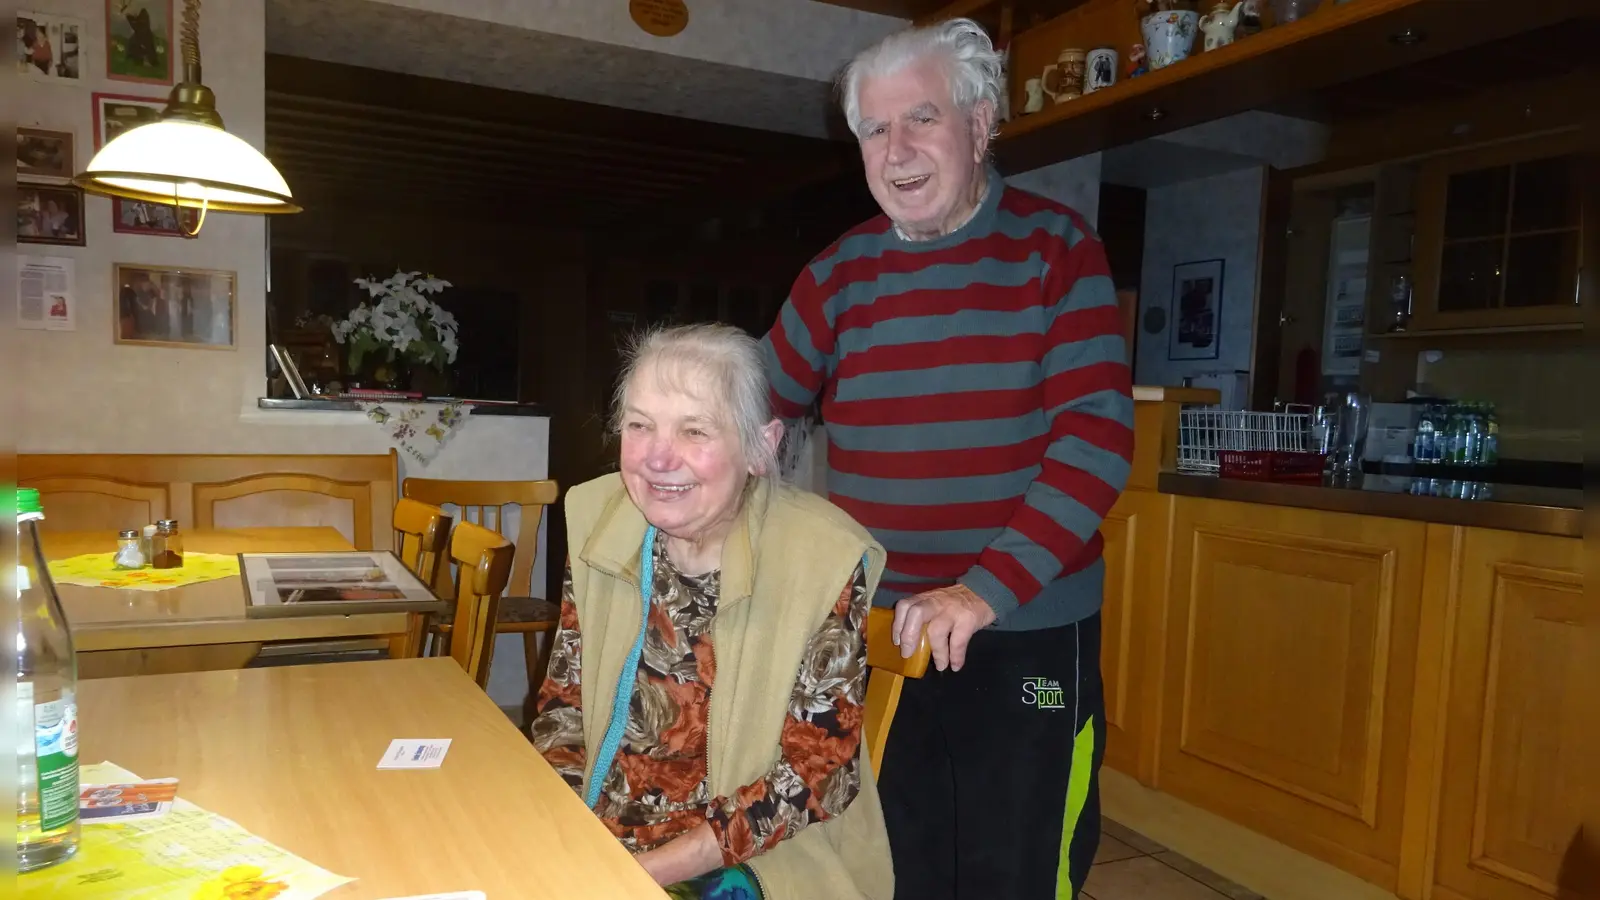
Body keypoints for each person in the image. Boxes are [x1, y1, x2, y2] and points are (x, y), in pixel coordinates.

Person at [760, 18, 1135, 900]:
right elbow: (756, 409)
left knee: (1019, 864)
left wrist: (983, 589)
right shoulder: (839, 274)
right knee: (899, 861)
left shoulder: (1057, 251)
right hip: (887, 635)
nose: (897, 151)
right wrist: (681, 433)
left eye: (921, 119)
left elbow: (1096, 443)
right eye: (875, 130)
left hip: (1028, 635)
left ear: (981, 121)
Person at [529, 323, 895, 900]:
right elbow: (563, 704)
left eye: (694, 431)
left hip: (758, 853)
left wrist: (641, 874)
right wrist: (560, 828)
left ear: (760, 447)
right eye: (639, 425)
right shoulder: (601, 516)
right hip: (605, 827)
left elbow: (814, 776)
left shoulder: (821, 556)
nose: (656, 458)